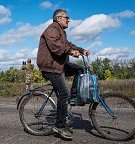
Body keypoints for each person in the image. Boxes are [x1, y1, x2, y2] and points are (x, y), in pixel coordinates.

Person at [37, 9, 90, 140]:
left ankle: (71, 99)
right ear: (59, 18)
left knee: (80, 70)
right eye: (67, 17)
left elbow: (68, 44)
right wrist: (71, 52)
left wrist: (81, 50)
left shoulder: (61, 31)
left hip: (58, 65)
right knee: (64, 93)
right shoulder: (52, 29)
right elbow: (55, 45)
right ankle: (59, 126)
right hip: (50, 67)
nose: (69, 20)